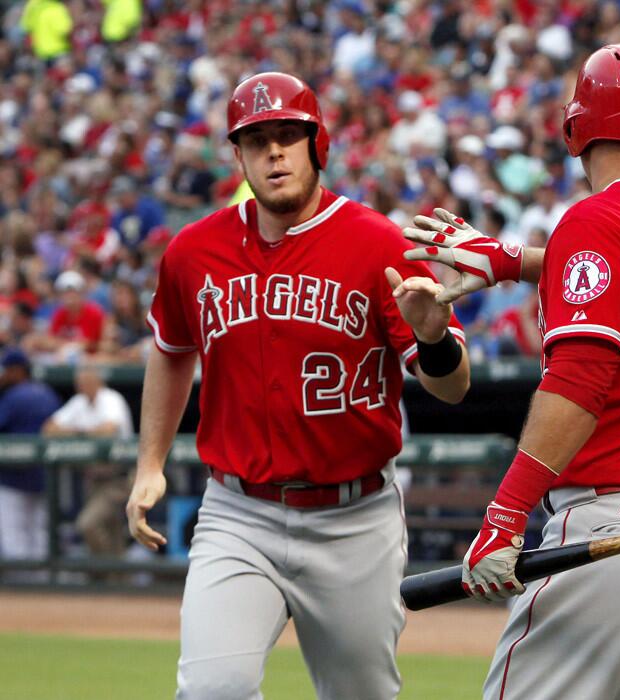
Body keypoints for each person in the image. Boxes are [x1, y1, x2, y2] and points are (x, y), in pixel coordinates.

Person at [406, 44, 620, 699]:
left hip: (615, 536)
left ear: (581, 121)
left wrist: (505, 516)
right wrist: (514, 259)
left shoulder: (596, 219)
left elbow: (579, 382)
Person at [125, 72, 470, 700]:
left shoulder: (378, 244)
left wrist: (433, 339)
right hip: (238, 511)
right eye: (257, 140)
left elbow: (450, 389)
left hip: (354, 518)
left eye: (288, 135)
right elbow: (172, 351)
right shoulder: (193, 251)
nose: (274, 152)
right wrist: (150, 461)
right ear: (238, 155)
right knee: (211, 691)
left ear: (318, 145)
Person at [41, 364, 134, 564]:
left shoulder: (111, 399)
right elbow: (49, 428)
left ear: (98, 381)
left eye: (87, 382)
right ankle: (116, 579)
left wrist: (76, 433)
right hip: (92, 478)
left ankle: (105, 572)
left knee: (88, 524)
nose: (82, 386)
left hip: (118, 477)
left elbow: (109, 430)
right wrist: (82, 433)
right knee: (111, 528)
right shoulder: (79, 402)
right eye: (80, 383)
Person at [0, 348, 60, 572]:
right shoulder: (47, 392)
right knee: (41, 533)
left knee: (15, 535)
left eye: (7, 370)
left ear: (18, 371)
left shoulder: (13, 396)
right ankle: (44, 585)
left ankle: (23, 589)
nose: (4, 375)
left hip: (13, 479)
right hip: (44, 476)